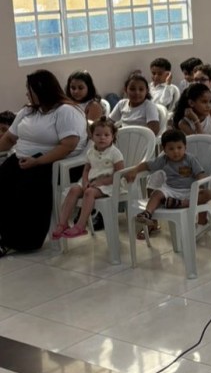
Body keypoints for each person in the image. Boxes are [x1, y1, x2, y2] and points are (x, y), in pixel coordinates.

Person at [0, 70, 88, 256]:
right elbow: (9, 139)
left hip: (56, 163)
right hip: (25, 159)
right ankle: (3, 232)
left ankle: (22, 241)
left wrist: (37, 161)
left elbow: (68, 146)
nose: (26, 94)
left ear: (41, 90)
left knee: (25, 189)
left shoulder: (66, 111)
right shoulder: (28, 110)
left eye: (29, 90)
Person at [52, 117, 124, 239]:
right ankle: (62, 224)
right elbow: (86, 169)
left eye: (107, 135)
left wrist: (101, 182)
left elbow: (119, 173)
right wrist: (85, 182)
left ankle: (80, 225)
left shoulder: (114, 153)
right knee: (74, 189)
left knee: (89, 193)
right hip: (91, 181)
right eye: (98, 135)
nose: (102, 138)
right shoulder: (91, 152)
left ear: (113, 136)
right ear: (92, 136)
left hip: (109, 184)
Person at [126, 129, 211, 230]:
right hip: (171, 189)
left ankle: (198, 219)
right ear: (164, 150)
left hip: (190, 190)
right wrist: (135, 170)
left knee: (207, 194)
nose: (176, 151)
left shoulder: (190, 159)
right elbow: (147, 165)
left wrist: (199, 185)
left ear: (185, 147)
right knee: (156, 193)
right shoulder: (163, 160)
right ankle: (147, 213)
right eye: (171, 149)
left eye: (179, 147)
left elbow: (200, 173)